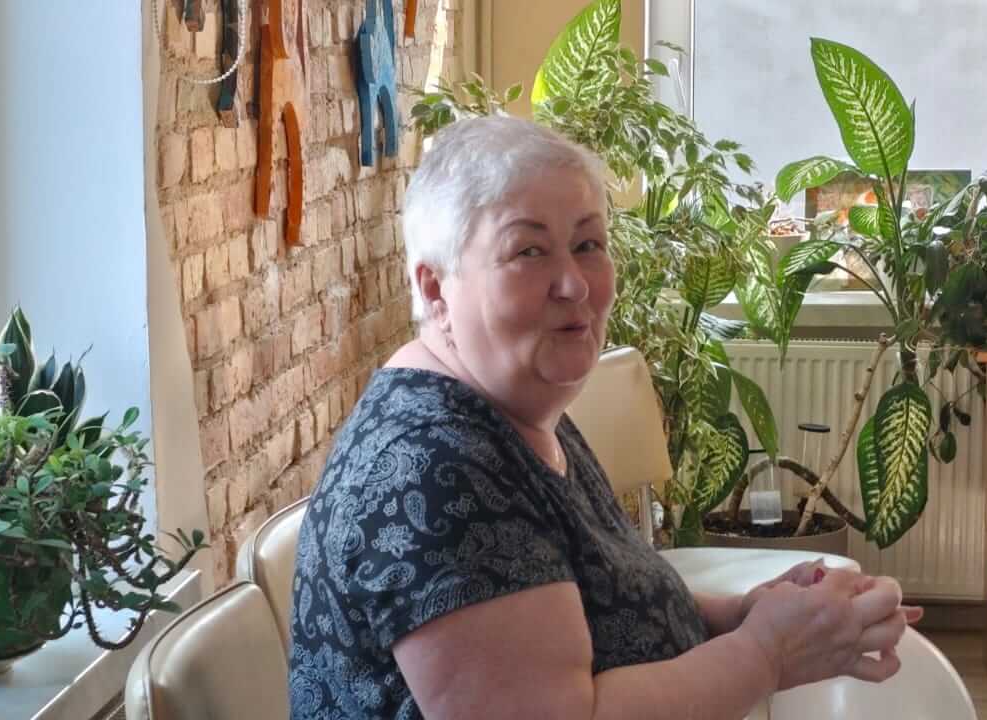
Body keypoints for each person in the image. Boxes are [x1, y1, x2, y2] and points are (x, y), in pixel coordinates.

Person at [287, 115, 919, 720]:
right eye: (529, 251)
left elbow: (600, 599)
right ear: (435, 289)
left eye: (588, 244)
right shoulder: (433, 470)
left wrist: (743, 615)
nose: (575, 284)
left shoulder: (518, 408)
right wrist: (769, 652)